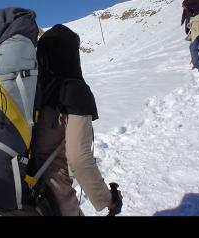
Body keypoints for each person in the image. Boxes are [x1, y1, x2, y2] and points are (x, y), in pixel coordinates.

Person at [35, 24, 122, 216]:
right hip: (50, 196)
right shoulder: (74, 91)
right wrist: (108, 199)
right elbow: (79, 158)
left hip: (11, 190)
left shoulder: (32, 90)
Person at [182, 0, 199, 71]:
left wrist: (184, 4)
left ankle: (196, 66)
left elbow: (185, 3)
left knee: (193, 46)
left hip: (197, 21)